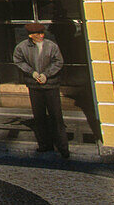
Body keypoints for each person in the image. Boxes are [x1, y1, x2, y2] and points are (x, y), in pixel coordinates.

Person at [13, 22, 68, 158]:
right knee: (39, 117)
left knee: (56, 116)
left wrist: (46, 74)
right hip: (34, 86)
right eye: (38, 34)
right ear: (31, 35)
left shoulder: (51, 46)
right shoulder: (22, 47)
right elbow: (18, 61)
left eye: (42, 33)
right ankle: (44, 144)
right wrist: (32, 73)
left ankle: (63, 147)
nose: (41, 35)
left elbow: (58, 62)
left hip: (51, 85)